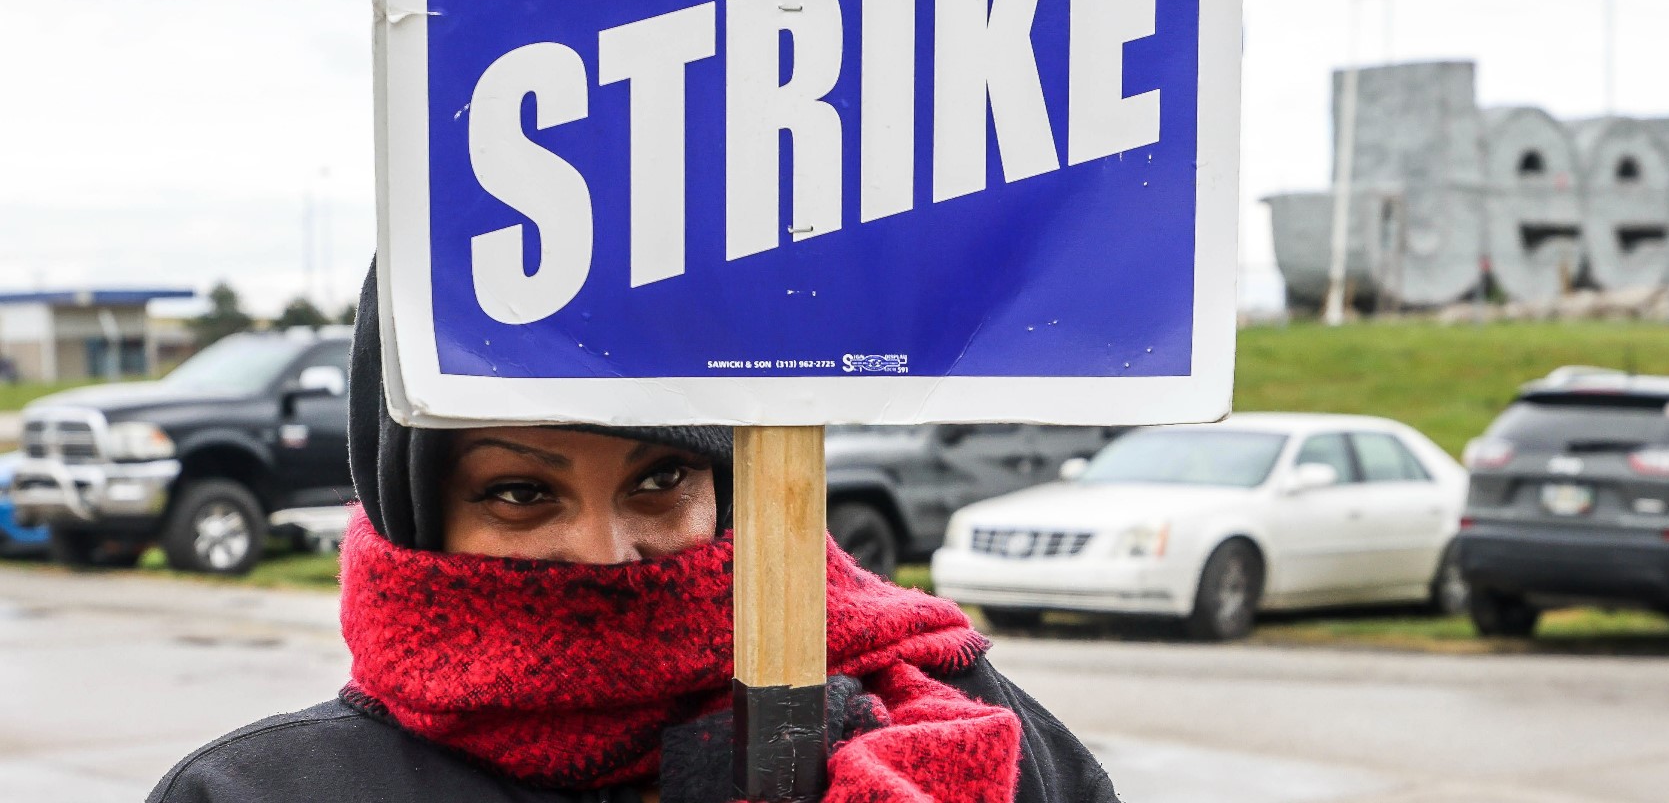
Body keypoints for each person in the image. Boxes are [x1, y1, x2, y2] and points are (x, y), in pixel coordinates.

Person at [148, 267, 1120, 803]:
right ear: (421, 515)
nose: (605, 550)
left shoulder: (951, 723)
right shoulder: (264, 797)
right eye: (522, 493)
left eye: (661, 479)